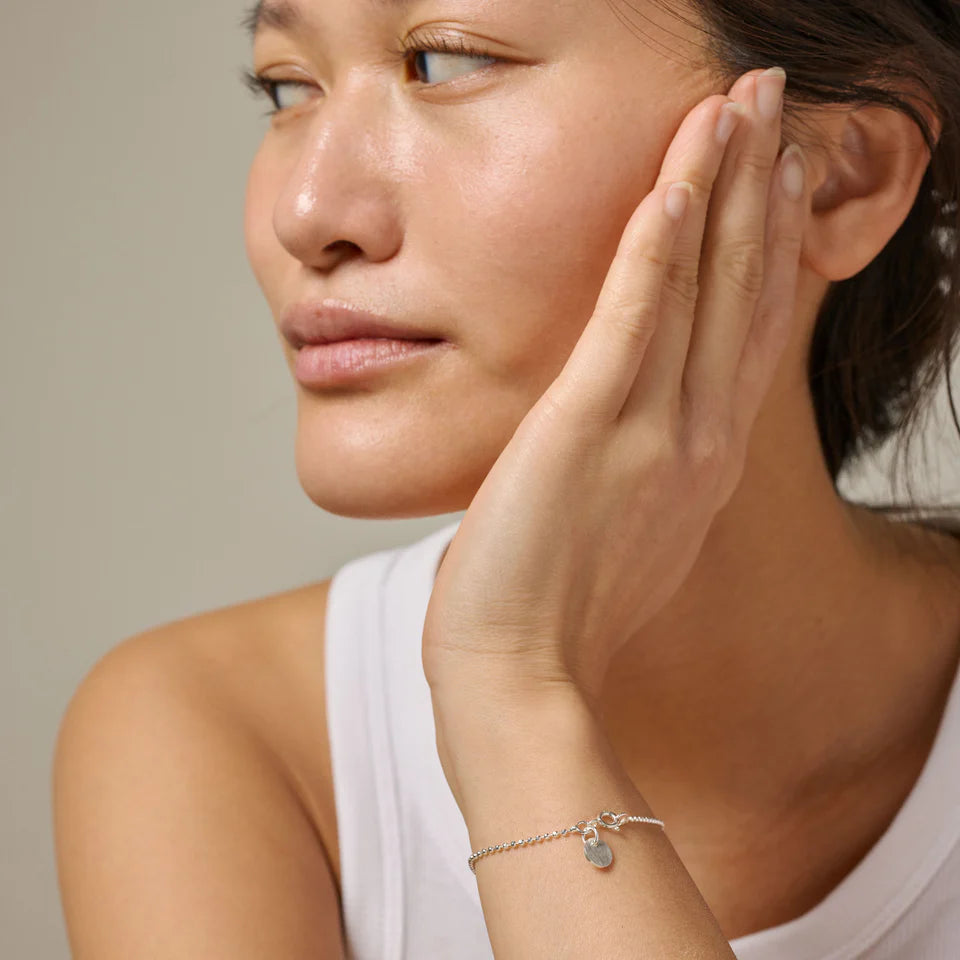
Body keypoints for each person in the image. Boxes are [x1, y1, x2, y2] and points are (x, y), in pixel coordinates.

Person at [53, 0, 960, 957]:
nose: (306, 214)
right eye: (288, 86)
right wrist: (514, 676)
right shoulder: (219, 741)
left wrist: (513, 692)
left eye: (443, 64)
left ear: (840, 177)